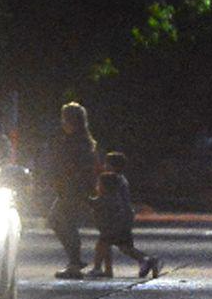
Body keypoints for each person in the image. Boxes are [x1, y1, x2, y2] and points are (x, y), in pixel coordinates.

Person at [86, 151, 160, 279]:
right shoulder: (121, 179)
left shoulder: (111, 179)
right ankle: (144, 260)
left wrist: (88, 200)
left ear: (111, 165)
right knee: (123, 246)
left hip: (115, 220)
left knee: (103, 243)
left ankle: (98, 268)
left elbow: (106, 199)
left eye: (106, 163)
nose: (104, 166)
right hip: (122, 218)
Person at [49, 102, 98, 279]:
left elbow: (75, 168)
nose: (63, 123)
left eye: (65, 119)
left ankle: (74, 262)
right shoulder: (80, 140)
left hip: (72, 188)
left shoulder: (76, 143)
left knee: (61, 221)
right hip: (71, 188)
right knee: (63, 222)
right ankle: (74, 260)